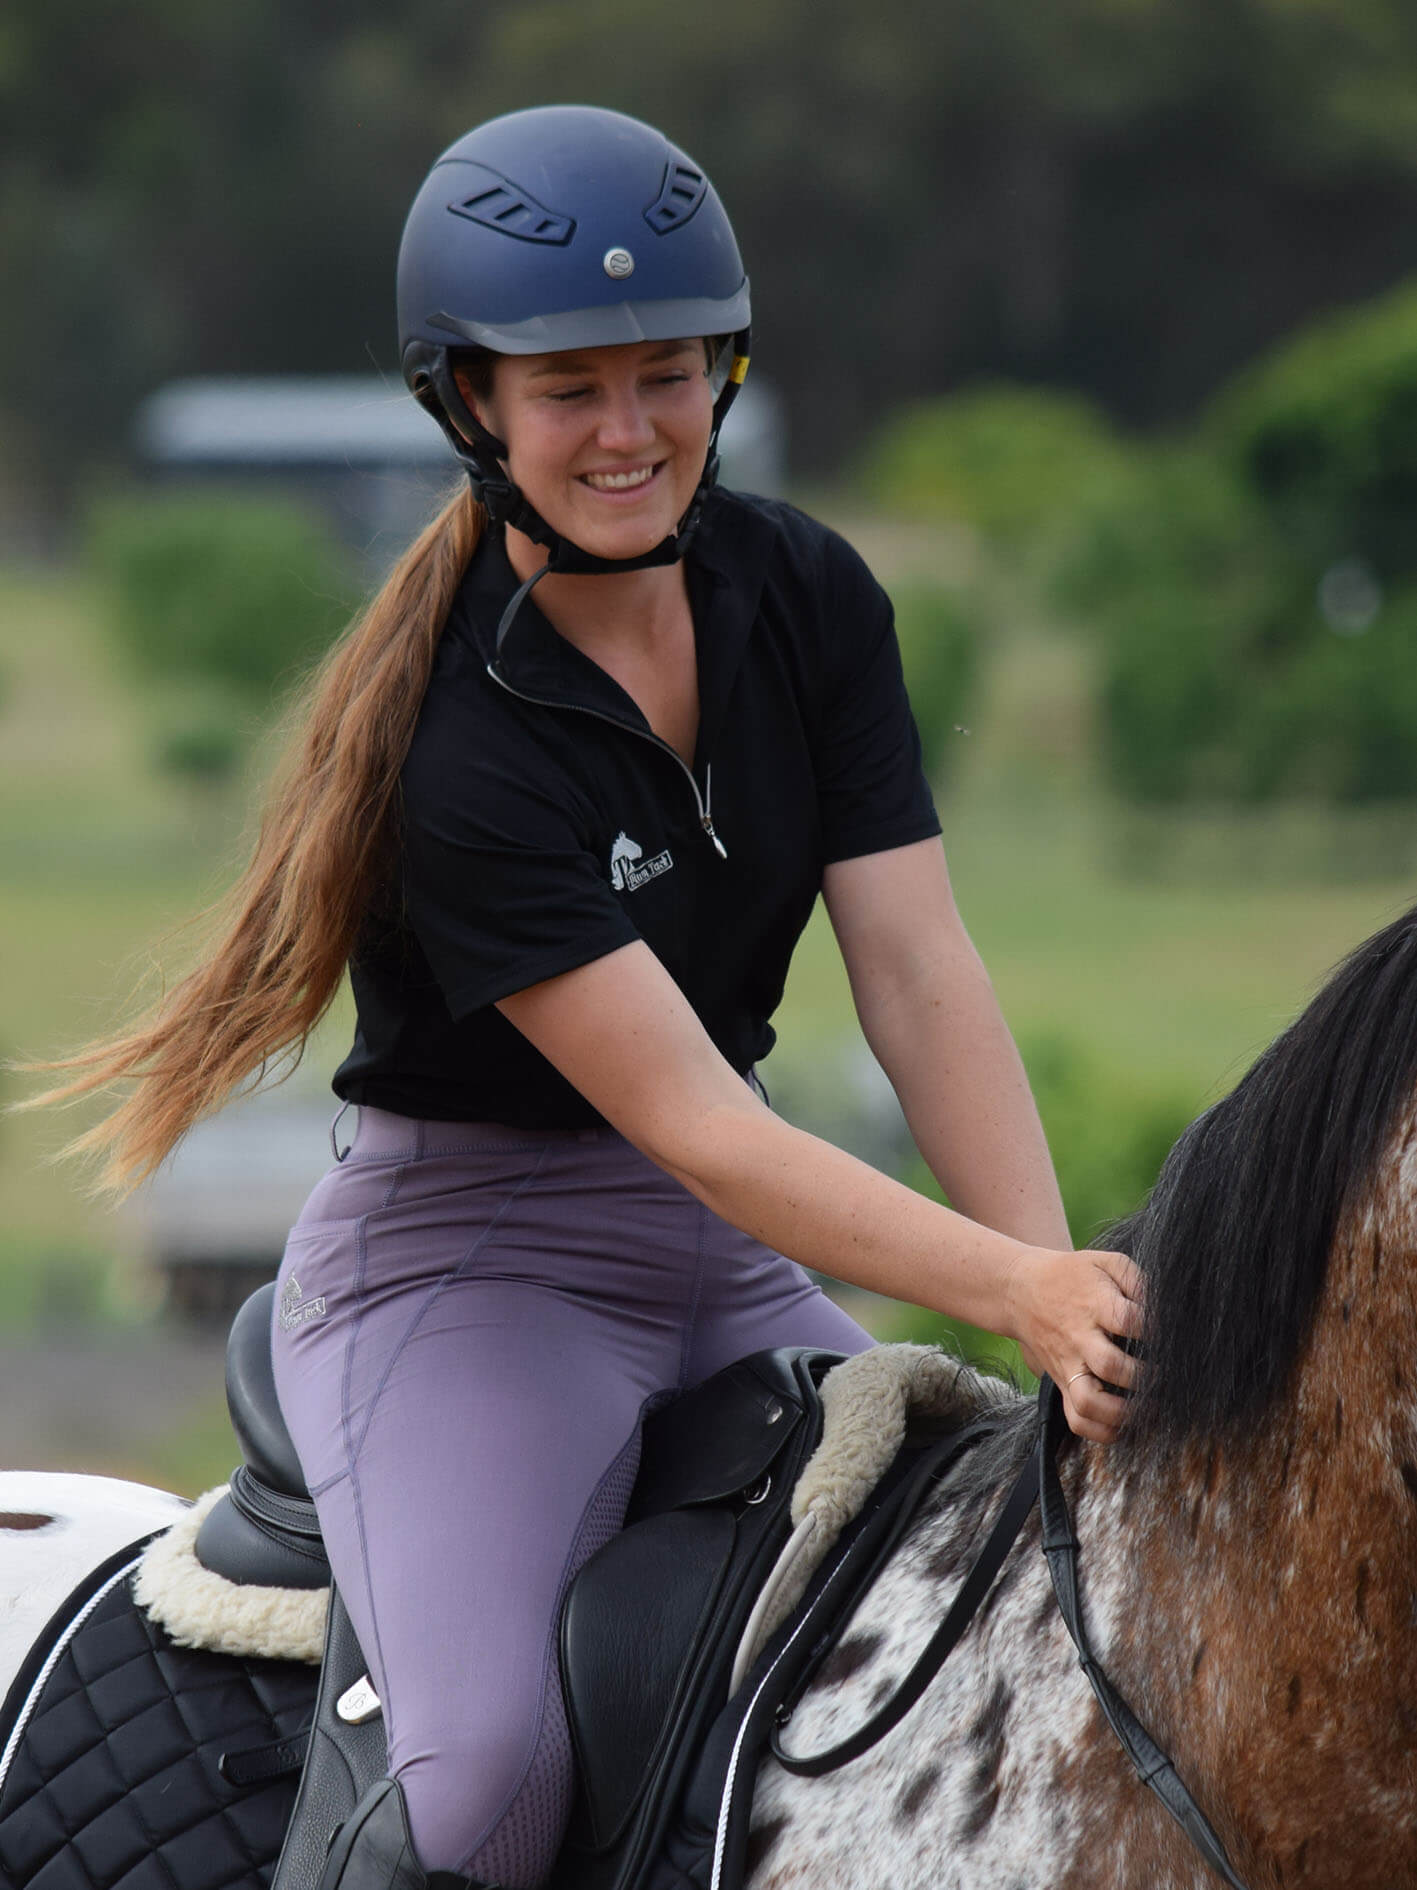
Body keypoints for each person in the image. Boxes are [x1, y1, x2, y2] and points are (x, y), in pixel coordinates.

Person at [40, 106, 1141, 1890]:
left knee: (980, 1621)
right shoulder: (456, 747)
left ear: (726, 372)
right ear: (468, 404)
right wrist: (1005, 1277)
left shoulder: (808, 595)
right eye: (569, 389)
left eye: (666, 375)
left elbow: (920, 976)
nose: (627, 430)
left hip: (714, 1253)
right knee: (479, 1792)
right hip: (468, 1267)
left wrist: (1054, 1318)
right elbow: (703, 1126)